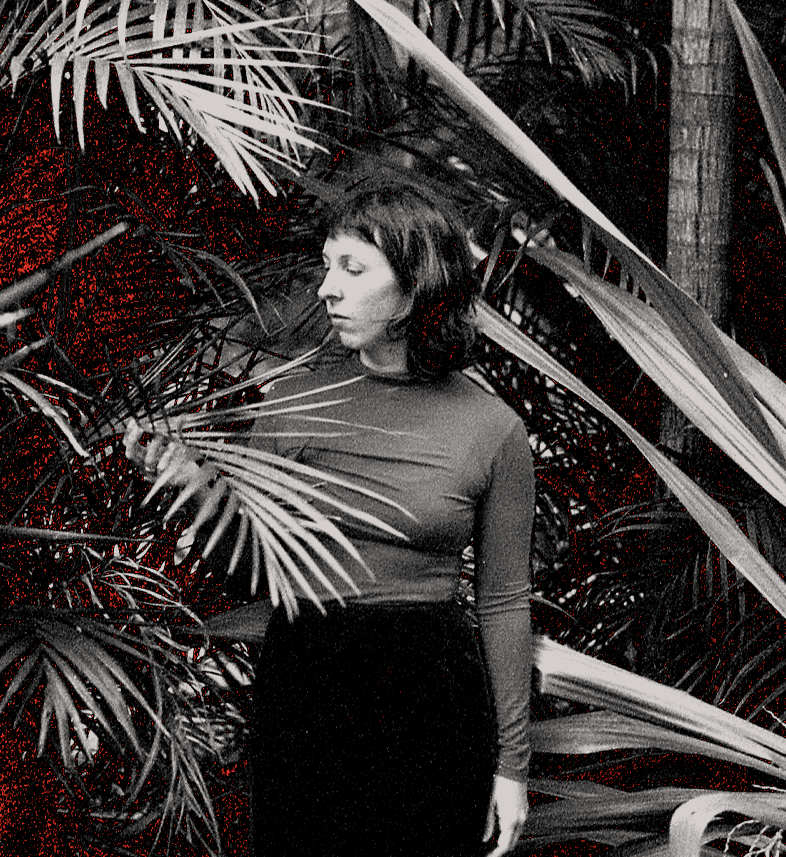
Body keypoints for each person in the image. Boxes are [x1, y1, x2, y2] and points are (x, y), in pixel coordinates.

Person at [127, 182, 534, 856]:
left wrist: (512, 766)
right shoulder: (294, 399)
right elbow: (254, 572)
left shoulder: (493, 428)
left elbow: (504, 602)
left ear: (415, 287)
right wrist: (196, 489)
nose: (326, 290)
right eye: (326, 266)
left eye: (352, 268)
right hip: (307, 682)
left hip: (431, 697)